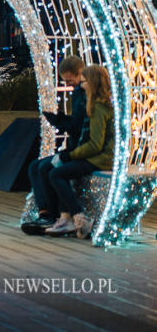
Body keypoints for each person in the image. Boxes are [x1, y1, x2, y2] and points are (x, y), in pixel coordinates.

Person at [43, 64, 115, 239]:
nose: (80, 86)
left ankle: (79, 218)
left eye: (83, 82)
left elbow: (95, 145)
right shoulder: (98, 105)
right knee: (59, 168)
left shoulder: (98, 108)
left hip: (100, 159)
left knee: (56, 174)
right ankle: (66, 217)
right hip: (98, 156)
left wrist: (71, 155)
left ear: (92, 82)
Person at [23, 55, 87, 234]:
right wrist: (58, 119)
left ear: (80, 73)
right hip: (76, 147)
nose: (69, 84)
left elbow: (78, 127)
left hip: (81, 150)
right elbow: (76, 123)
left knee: (46, 167)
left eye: (70, 79)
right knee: (34, 166)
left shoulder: (85, 95)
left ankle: (54, 214)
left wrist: (58, 120)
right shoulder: (78, 93)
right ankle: (44, 212)